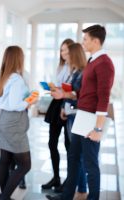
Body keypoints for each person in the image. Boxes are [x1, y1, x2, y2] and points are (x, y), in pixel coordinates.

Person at [46, 24, 115, 200]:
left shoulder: (104, 63)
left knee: (90, 164)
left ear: (96, 41)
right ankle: (66, 196)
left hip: (91, 120)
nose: (82, 42)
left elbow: (103, 97)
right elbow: (82, 92)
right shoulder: (92, 61)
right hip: (81, 117)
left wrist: (98, 129)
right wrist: (63, 94)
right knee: (73, 157)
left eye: (85, 39)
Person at [0, 46, 38, 200]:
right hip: (14, 122)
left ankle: (5, 196)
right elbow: (15, 104)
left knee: (5, 160)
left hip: (5, 119)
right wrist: (29, 102)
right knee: (25, 165)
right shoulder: (17, 79)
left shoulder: (4, 76)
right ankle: (4, 197)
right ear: (18, 59)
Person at [48, 43, 88, 200]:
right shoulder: (75, 71)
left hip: (78, 115)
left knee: (76, 155)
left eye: (68, 52)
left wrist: (64, 96)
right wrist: (65, 108)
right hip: (70, 113)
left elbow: (79, 95)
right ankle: (77, 190)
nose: (65, 55)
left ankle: (76, 191)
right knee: (74, 154)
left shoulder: (81, 73)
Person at [42, 39, 74, 191]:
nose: (64, 53)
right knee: (52, 143)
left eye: (67, 50)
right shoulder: (61, 66)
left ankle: (70, 180)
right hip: (57, 104)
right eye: (62, 50)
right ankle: (56, 178)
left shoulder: (75, 68)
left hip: (67, 105)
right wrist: (53, 88)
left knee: (69, 146)